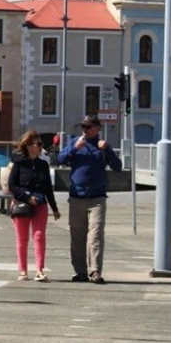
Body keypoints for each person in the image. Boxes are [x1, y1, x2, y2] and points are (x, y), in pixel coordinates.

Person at [58, 114, 122, 285]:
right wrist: (74, 149)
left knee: (95, 235)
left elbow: (118, 167)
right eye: (83, 127)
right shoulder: (75, 143)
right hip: (76, 197)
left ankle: (95, 271)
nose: (84, 130)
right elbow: (61, 159)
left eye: (88, 127)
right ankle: (80, 272)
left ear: (97, 129)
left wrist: (107, 149)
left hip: (97, 198)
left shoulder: (102, 147)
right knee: (77, 237)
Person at [7, 130, 61, 282]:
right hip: (22, 204)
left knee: (39, 236)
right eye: (38, 144)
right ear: (29, 146)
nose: (40, 147)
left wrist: (55, 208)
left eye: (40, 144)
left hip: (40, 204)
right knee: (22, 238)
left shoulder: (43, 165)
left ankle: (39, 269)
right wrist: (27, 197)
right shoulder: (18, 163)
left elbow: (48, 188)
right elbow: (12, 185)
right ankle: (22, 271)